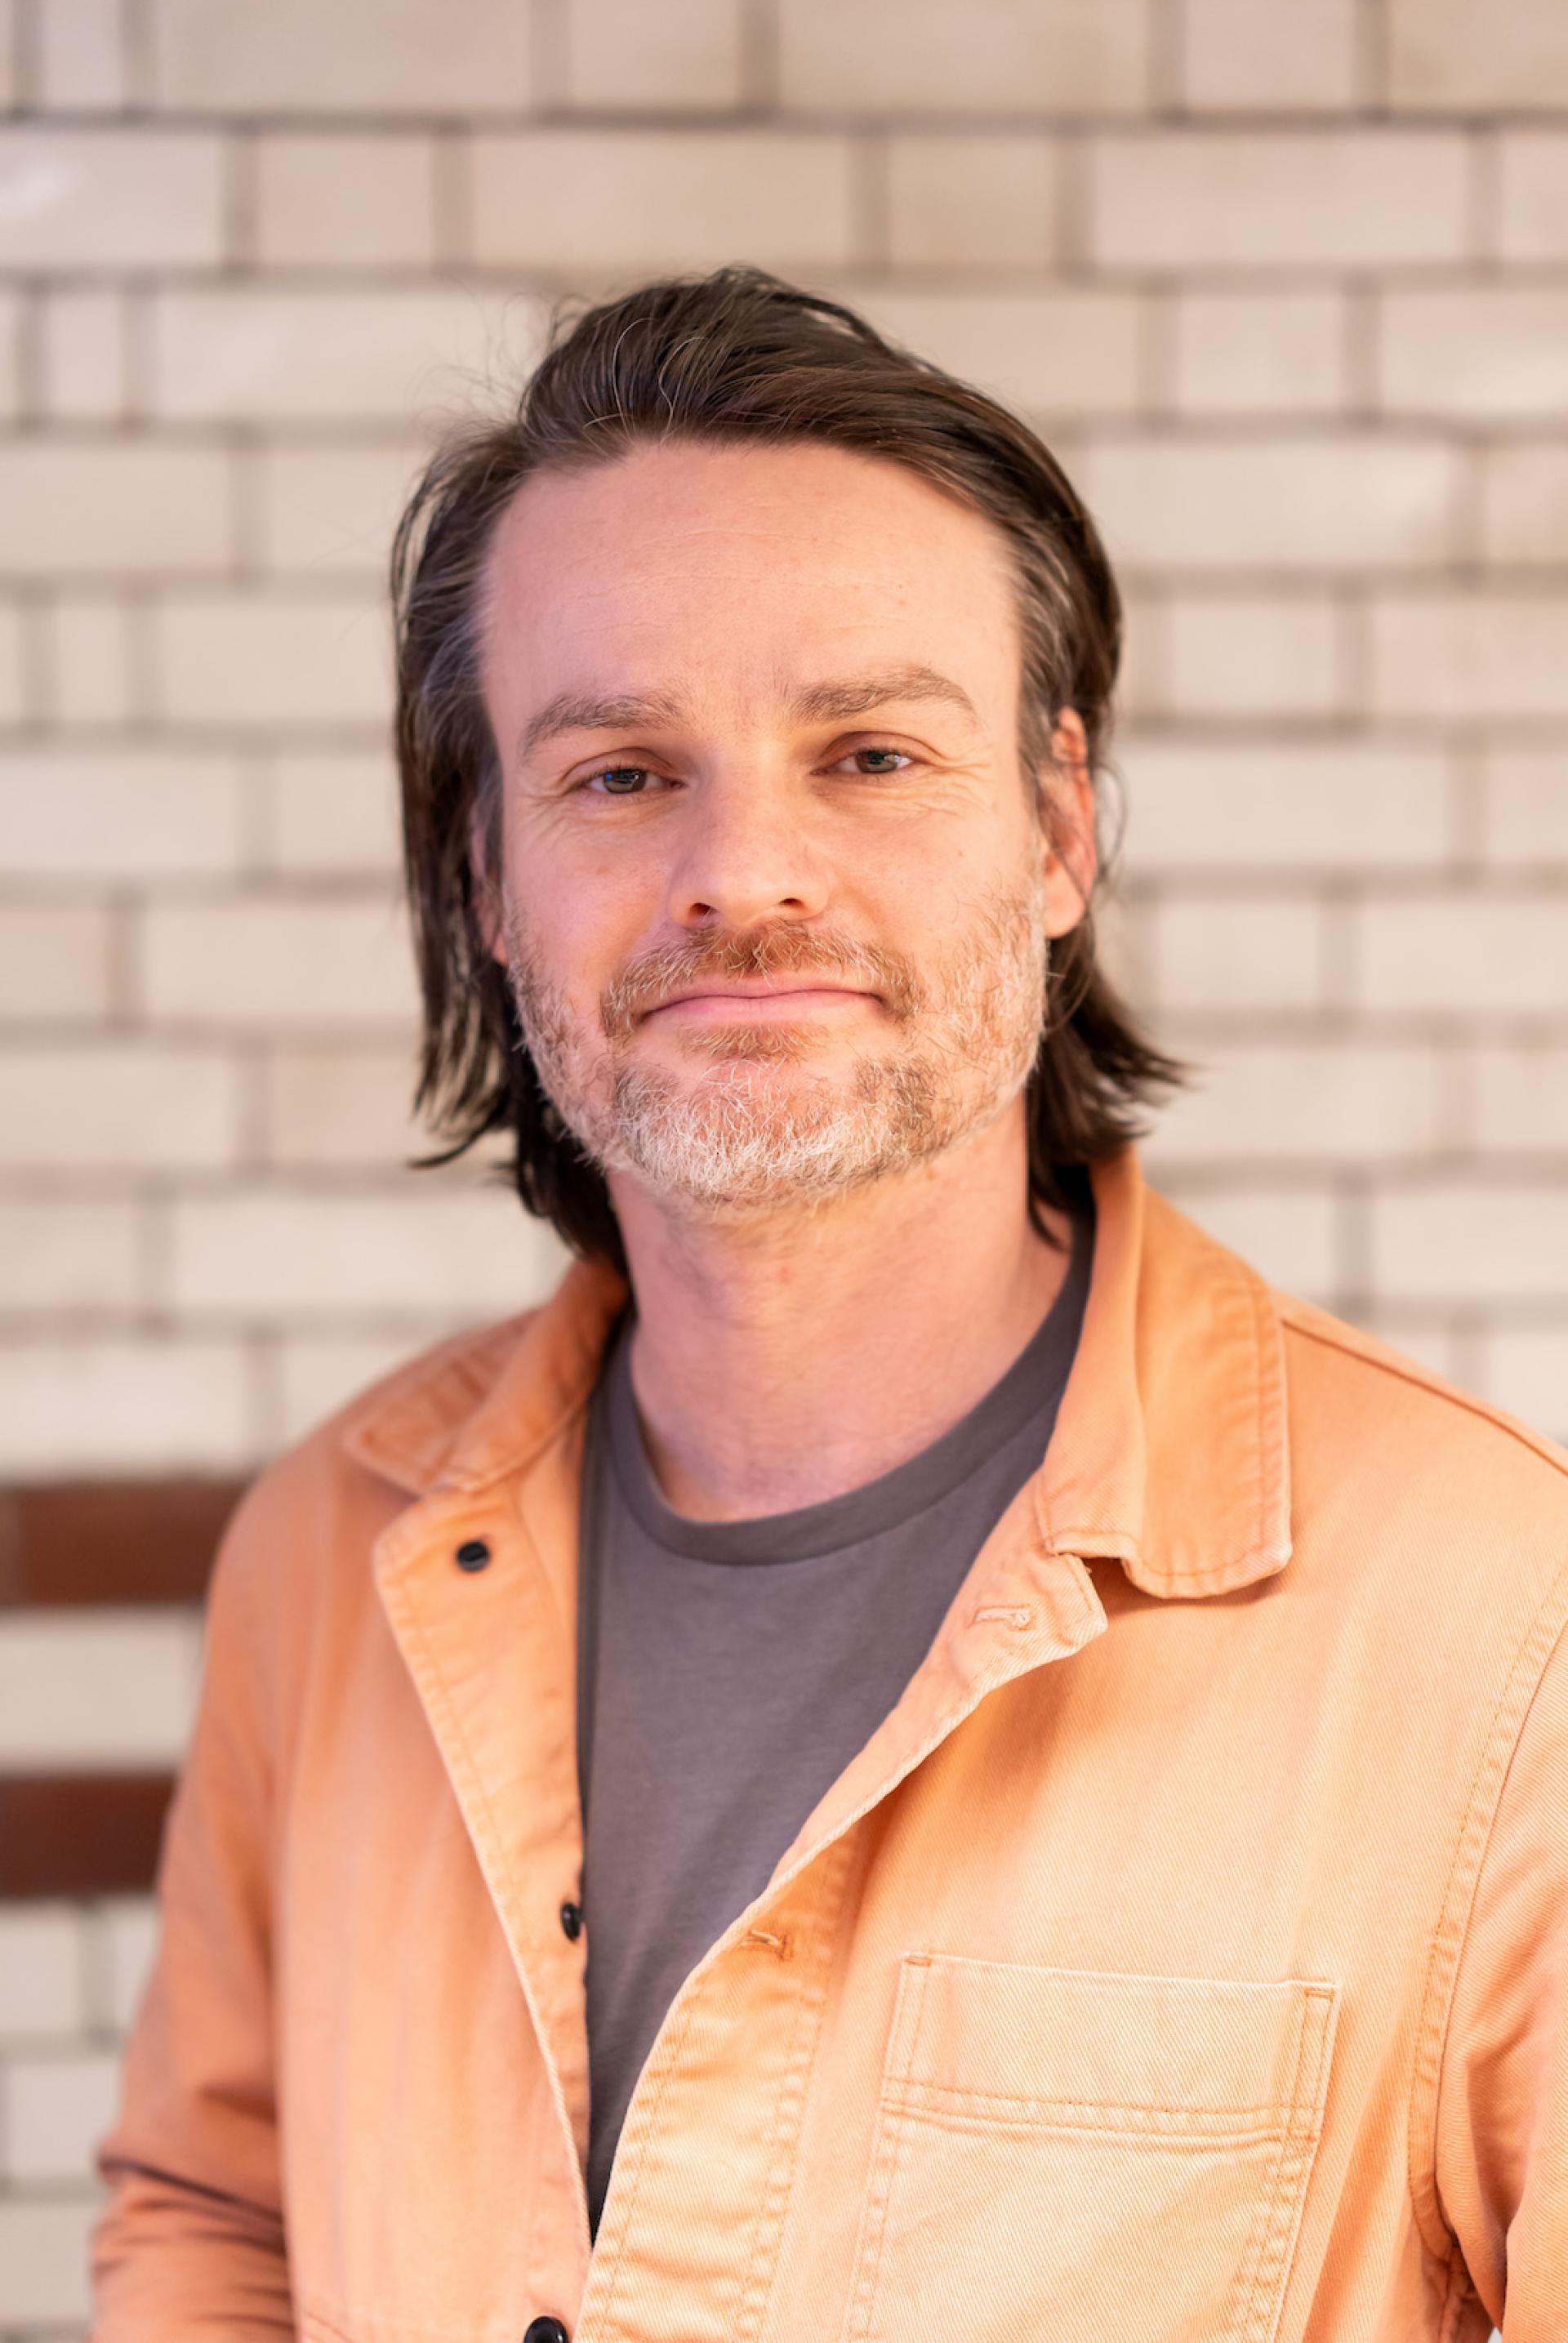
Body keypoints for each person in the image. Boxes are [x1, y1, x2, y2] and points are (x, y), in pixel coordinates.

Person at [93, 268, 1565, 2343]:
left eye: (870, 753)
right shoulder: (327, 1564)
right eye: (618, 774)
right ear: (485, 879)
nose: (742, 870)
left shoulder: (1505, 1629)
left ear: (1059, 829)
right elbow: (216, 2217)